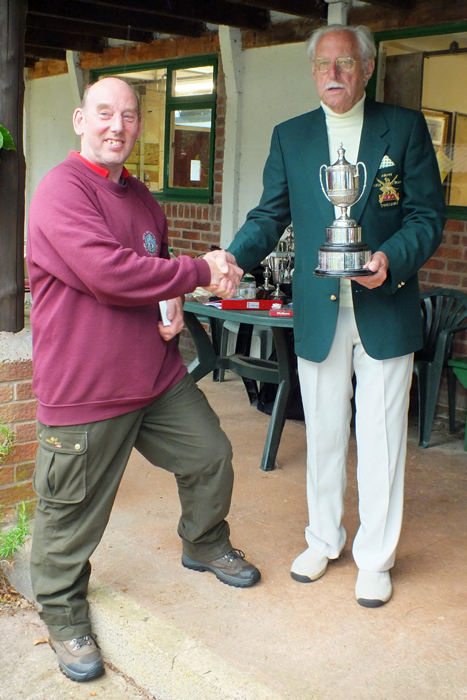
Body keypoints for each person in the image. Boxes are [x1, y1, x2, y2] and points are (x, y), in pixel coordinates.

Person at [26, 77, 260, 683]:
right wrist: (197, 272)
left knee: (210, 454)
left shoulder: (142, 198)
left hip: (154, 377)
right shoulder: (60, 191)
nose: (117, 127)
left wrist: (171, 304)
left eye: (129, 117)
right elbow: (106, 273)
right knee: (70, 512)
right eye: (105, 113)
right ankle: (63, 613)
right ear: (80, 119)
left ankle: (203, 542)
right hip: (87, 388)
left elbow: (150, 266)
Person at [227, 24, 446, 607]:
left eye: (346, 63)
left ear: (367, 69)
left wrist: (388, 259)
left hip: (385, 303)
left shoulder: (402, 129)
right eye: (324, 64)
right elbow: (268, 217)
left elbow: (427, 217)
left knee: (380, 440)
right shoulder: (291, 137)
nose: (333, 74)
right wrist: (229, 256)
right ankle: (324, 538)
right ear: (313, 71)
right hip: (321, 315)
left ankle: (375, 558)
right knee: (323, 433)